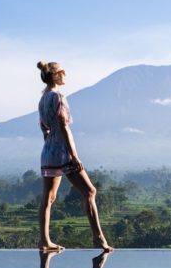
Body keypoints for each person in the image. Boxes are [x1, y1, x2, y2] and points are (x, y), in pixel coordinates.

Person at [36, 61, 113, 253]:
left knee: (48, 198)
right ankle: (98, 238)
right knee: (89, 192)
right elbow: (64, 127)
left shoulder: (43, 99)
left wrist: (52, 145)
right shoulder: (59, 97)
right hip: (63, 151)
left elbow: (44, 129)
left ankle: (44, 240)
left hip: (48, 151)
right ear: (55, 76)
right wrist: (74, 155)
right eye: (62, 72)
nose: (65, 75)